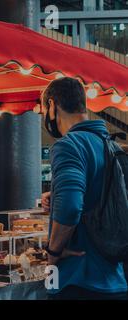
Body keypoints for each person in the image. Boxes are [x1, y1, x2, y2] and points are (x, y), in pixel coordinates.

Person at [41, 77, 127, 300]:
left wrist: (53, 252)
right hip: (114, 279)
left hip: (77, 281)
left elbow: (70, 208)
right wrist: (58, 192)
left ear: (52, 106)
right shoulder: (111, 146)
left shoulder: (69, 145)